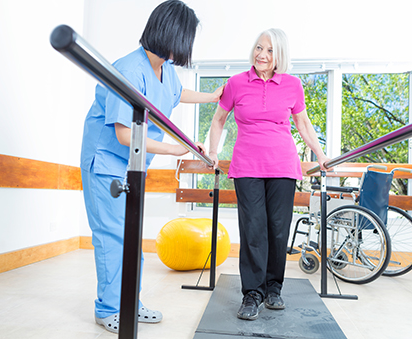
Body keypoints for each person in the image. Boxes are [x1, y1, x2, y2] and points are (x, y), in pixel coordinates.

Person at [80, 0, 224, 334]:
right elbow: (123, 133)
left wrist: (212, 96)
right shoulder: (129, 69)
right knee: (113, 237)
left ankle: (130, 301)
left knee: (132, 236)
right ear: (172, 34)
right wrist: (178, 148)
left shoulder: (163, 68)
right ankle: (107, 308)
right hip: (105, 163)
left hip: (132, 167)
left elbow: (176, 94)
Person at [207, 28, 331, 320]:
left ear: (280, 56)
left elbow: (303, 124)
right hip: (247, 166)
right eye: (259, 48)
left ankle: (273, 288)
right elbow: (218, 120)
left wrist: (321, 155)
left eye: (270, 50)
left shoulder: (292, 85)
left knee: (277, 228)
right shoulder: (236, 83)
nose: (262, 55)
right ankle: (252, 293)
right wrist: (213, 152)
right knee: (253, 229)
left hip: (283, 167)